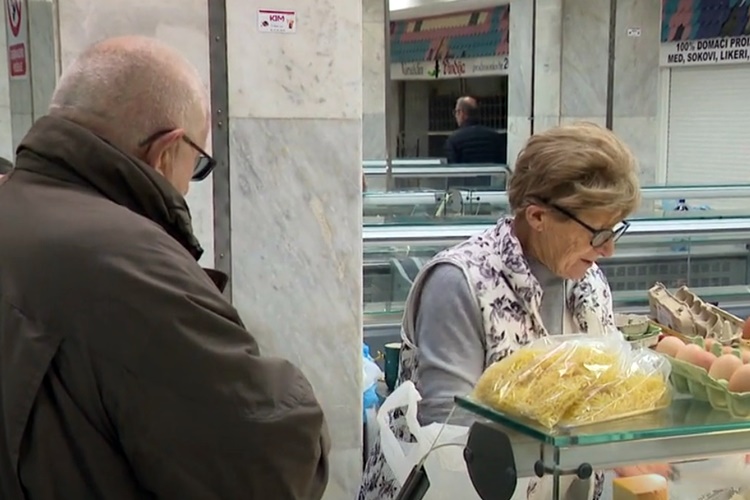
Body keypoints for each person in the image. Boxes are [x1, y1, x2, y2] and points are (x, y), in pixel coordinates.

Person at [0, 36, 329, 499]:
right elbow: (271, 468)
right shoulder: (129, 267)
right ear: (166, 151)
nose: (188, 188)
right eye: (196, 166)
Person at [360, 123, 669, 500]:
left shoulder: (588, 281)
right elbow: (450, 433)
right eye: (598, 233)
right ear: (537, 217)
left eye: (614, 231)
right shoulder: (460, 283)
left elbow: (602, 394)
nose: (608, 251)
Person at [444, 96, 505, 165]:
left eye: (456, 112)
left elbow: (452, 168)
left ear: (461, 113)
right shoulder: (495, 137)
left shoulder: (453, 140)